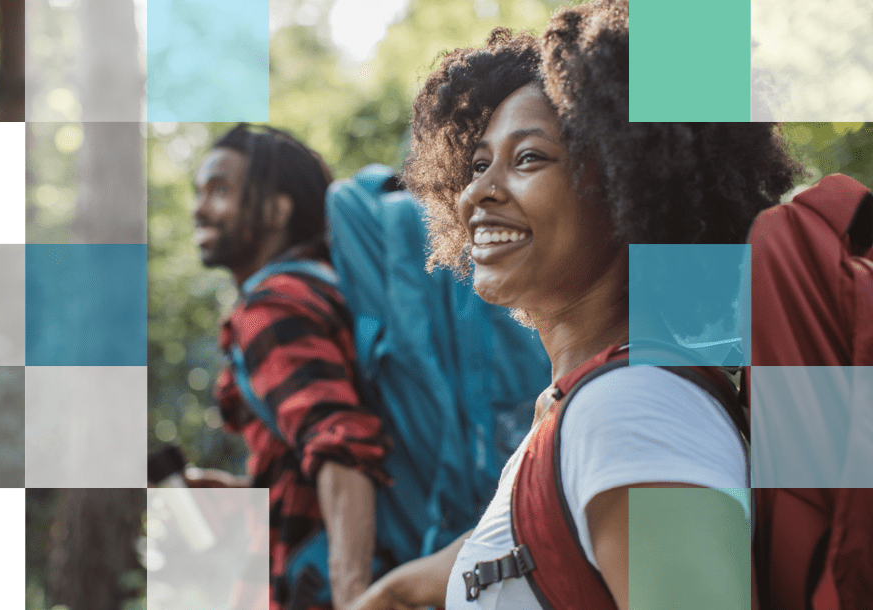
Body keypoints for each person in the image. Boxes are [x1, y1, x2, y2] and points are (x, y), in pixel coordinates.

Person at [350, 1, 803, 608]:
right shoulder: (579, 408)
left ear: (626, 189)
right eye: (479, 163)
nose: (478, 192)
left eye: (528, 158)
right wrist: (395, 590)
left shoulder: (632, 409)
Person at [186, 123, 393, 610]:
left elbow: (342, 445)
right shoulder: (325, 287)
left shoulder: (271, 308)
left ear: (279, 209)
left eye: (220, 190)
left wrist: (352, 599)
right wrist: (247, 492)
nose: (199, 208)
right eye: (199, 191)